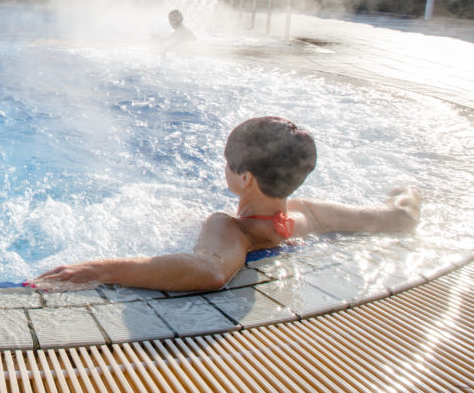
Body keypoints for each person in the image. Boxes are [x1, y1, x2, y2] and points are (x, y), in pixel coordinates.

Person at [29, 116, 421, 292]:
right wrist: (408, 189)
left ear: (245, 178)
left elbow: (211, 270)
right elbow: (401, 216)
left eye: (227, 164)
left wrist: (99, 268)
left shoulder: (230, 228)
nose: (224, 168)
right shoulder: (306, 214)